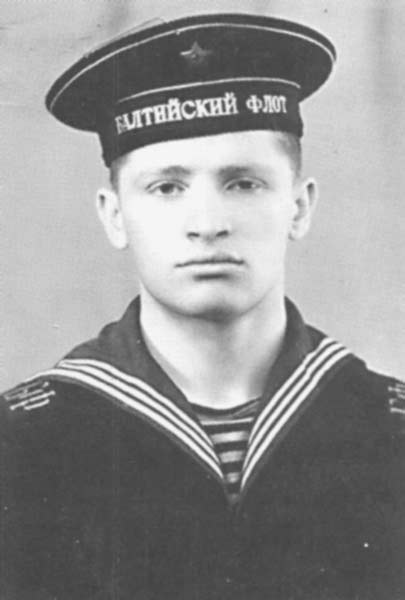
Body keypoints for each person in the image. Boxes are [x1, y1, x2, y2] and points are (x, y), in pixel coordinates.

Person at [1, 12, 404, 600]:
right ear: (114, 215)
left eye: (243, 183)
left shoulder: (388, 430)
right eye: (167, 187)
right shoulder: (22, 446)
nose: (208, 224)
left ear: (299, 207)